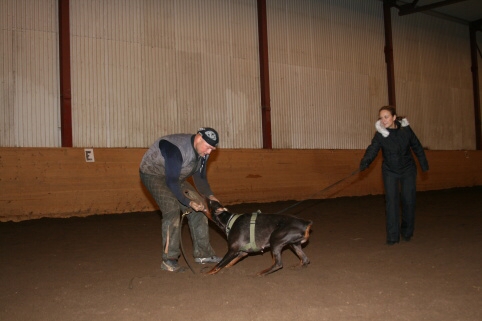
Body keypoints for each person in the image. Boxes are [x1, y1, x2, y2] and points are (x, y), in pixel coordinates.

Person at [139, 127, 222, 272]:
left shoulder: (203, 152)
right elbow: (171, 183)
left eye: (212, 149)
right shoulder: (176, 149)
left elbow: (200, 179)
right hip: (153, 174)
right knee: (171, 208)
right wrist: (188, 202)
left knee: (201, 207)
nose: (209, 152)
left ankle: (203, 253)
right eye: (208, 148)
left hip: (176, 176)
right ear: (198, 138)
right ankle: (169, 260)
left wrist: (211, 197)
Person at [359, 106, 429, 245]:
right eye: (381, 117)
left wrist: (424, 164)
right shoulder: (380, 134)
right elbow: (372, 149)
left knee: (408, 201)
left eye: (386, 117)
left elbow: (416, 146)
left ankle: (407, 232)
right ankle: (392, 236)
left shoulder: (406, 130)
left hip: (408, 169)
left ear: (394, 117)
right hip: (390, 170)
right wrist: (365, 162)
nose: (383, 120)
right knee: (391, 203)